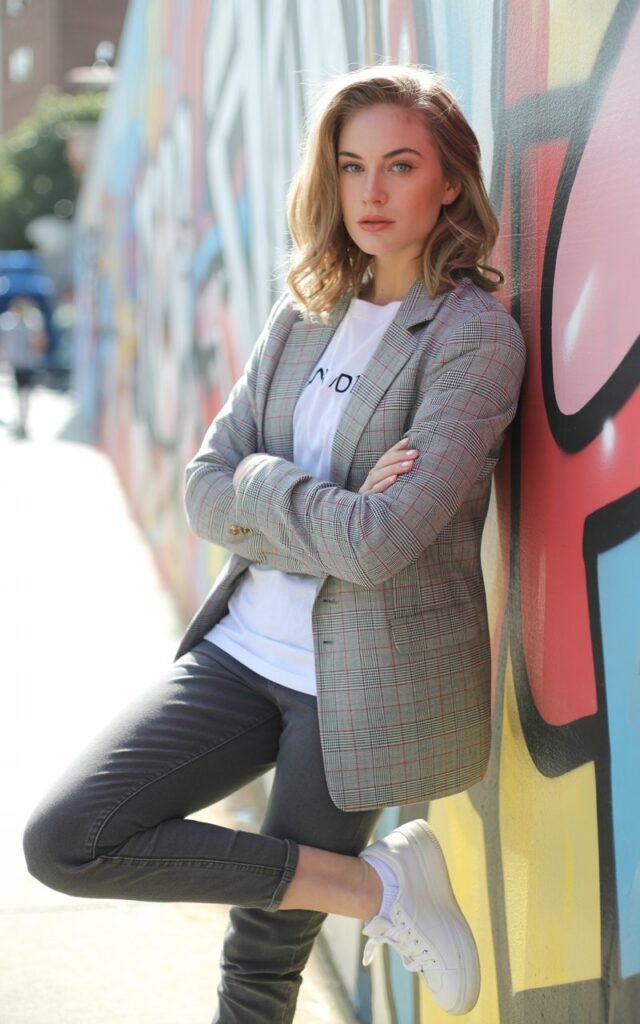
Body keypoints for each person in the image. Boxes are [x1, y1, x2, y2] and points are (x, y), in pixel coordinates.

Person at [23, 65, 526, 1021]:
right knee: (69, 838)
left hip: (361, 682)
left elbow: (381, 544)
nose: (370, 194)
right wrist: (302, 500)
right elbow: (206, 490)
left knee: (261, 956)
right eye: (350, 167)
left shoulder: (471, 339)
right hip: (241, 652)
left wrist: (267, 487)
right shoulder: (305, 312)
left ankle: (360, 890)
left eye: (399, 165)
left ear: (449, 181)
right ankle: (375, 888)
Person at [0, 296, 45, 438]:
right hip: (17, 363)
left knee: (24, 394)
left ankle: (22, 422)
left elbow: (40, 342)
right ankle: (20, 421)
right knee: (19, 394)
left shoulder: (32, 323)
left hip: (28, 364)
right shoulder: (8, 323)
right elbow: (4, 343)